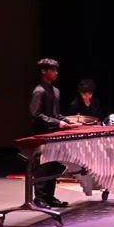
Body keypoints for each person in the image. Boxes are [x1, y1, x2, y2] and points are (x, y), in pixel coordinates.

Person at [28, 58, 77, 207]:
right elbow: (35, 114)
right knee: (43, 167)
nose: (56, 73)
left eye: (56, 70)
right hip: (42, 135)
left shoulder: (55, 91)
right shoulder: (39, 91)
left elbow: (56, 114)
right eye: (53, 70)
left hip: (55, 135)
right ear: (44, 71)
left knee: (54, 165)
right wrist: (58, 123)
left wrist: (68, 121)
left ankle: (49, 196)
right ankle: (40, 198)